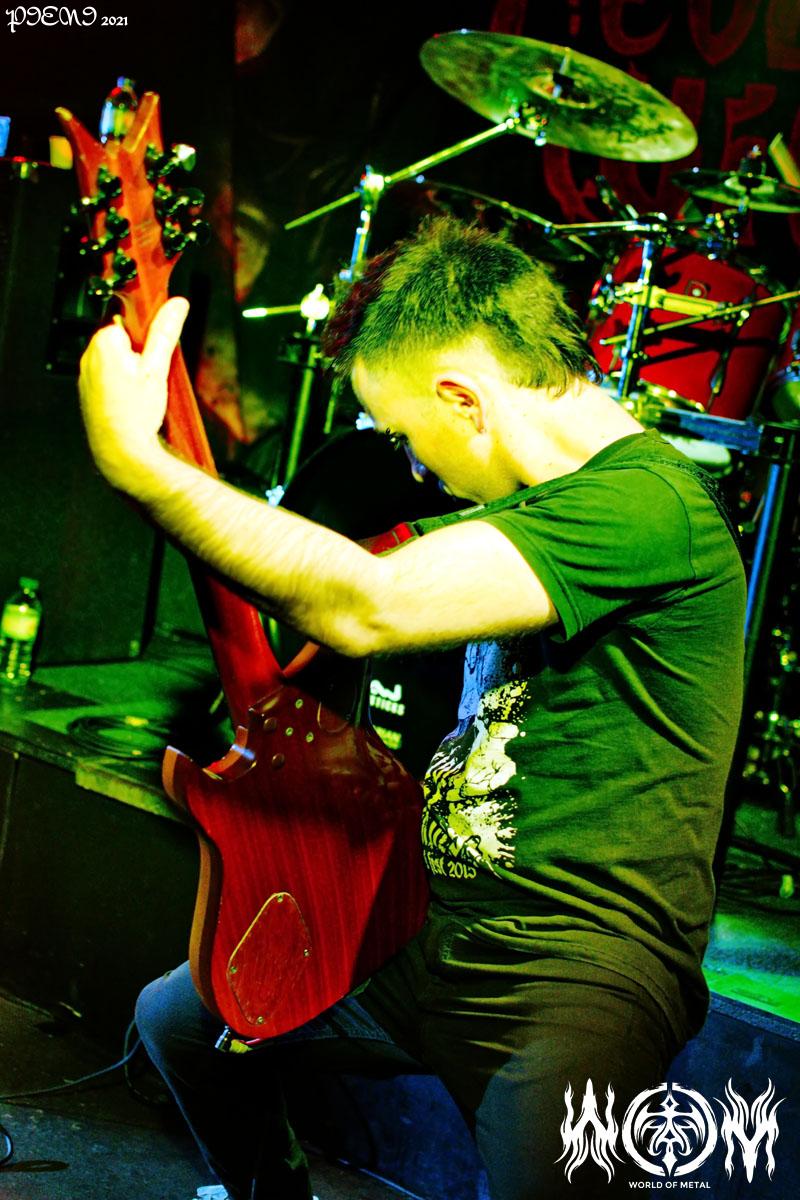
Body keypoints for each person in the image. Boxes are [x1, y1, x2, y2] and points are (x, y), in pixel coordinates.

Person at [77, 217, 746, 1199]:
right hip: (417, 936)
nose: (413, 464)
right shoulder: (525, 507)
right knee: (181, 1023)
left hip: (572, 972)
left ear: (461, 399)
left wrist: (140, 465)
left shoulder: (651, 506)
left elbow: (364, 602)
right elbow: (325, 588)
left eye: (402, 432)